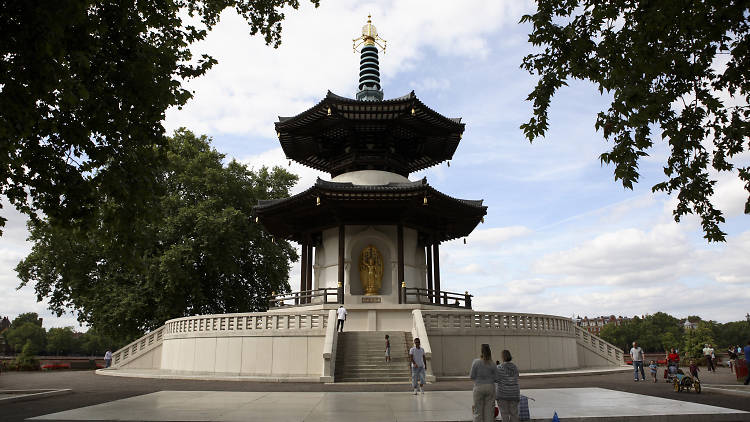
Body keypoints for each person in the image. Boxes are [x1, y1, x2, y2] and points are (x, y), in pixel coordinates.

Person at [469, 344, 498, 422]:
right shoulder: (492, 364)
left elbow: (471, 376)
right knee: (489, 412)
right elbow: (497, 379)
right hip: (490, 387)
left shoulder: (476, 362)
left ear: (481, 352)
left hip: (478, 387)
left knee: (477, 411)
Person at [496, 349, 520, 422]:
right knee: (514, 414)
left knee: (504, 414)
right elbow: (517, 377)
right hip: (514, 394)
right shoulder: (515, 367)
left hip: (503, 394)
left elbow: (495, 379)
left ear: (502, 357)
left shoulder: (499, 367)